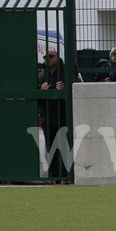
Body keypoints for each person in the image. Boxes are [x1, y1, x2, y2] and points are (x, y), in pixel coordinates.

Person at [37, 48, 74, 179]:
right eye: (45, 57)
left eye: (50, 56)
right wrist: (41, 91)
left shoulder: (67, 73)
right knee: (50, 149)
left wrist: (65, 90)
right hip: (47, 117)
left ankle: (65, 176)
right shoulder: (40, 74)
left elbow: (77, 89)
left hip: (64, 117)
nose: (47, 59)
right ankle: (52, 176)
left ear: (58, 57)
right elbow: (35, 97)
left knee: (65, 148)